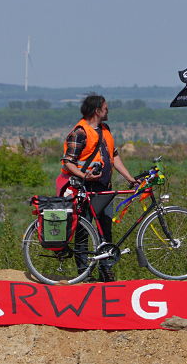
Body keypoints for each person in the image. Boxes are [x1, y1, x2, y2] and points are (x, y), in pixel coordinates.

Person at [56, 93, 138, 282]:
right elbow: (68, 162)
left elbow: (114, 156)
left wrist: (129, 178)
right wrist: (84, 175)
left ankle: (106, 270)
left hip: (104, 189)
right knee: (84, 231)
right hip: (84, 188)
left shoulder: (105, 129)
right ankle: (84, 273)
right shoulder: (80, 132)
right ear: (97, 110)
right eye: (105, 107)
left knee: (105, 231)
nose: (108, 110)